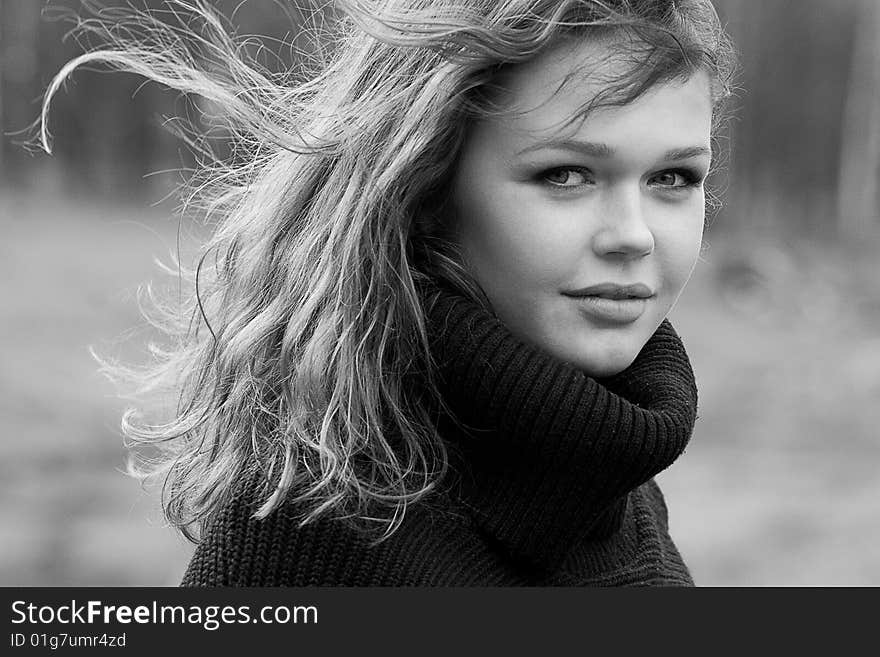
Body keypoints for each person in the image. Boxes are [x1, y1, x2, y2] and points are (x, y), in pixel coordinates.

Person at [43, 0, 736, 586]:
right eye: (565, 175)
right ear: (425, 187)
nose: (634, 235)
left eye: (673, 178)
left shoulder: (610, 481)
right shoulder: (313, 548)